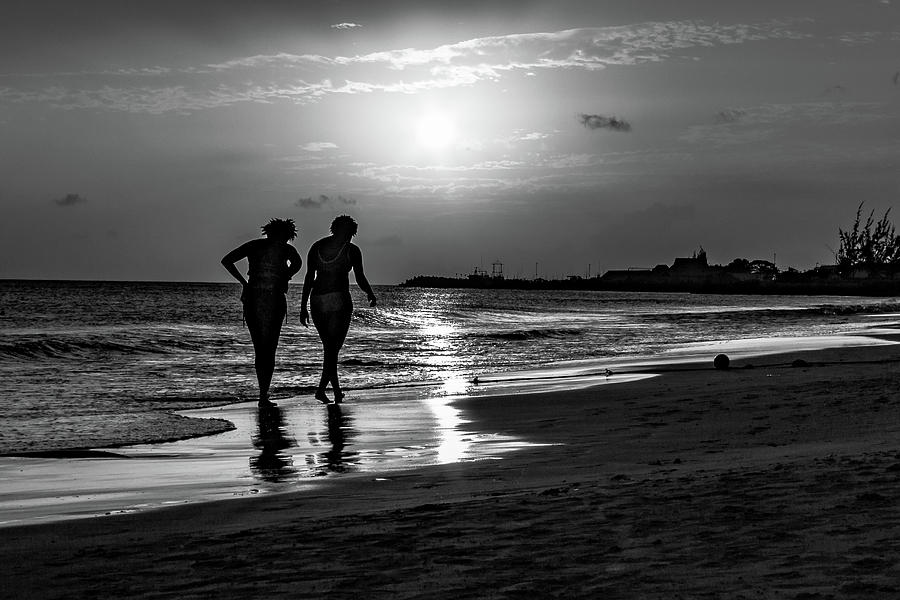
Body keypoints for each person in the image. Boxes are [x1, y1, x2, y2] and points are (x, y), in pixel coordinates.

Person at [222, 218, 302, 407]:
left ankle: (263, 394)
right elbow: (298, 264)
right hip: (266, 299)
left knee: (263, 348)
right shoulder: (284, 249)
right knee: (267, 348)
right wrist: (285, 275)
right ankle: (263, 394)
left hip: (259, 298)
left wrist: (245, 282)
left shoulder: (259, 246)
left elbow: (227, 260)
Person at [300, 215, 376, 404]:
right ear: (350, 232)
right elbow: (359, 276)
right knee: (333, 349)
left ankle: (335, 391)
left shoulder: (316, 246)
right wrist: (370, 293)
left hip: (317, 299)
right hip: (339, 300)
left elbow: (309, 277)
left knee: (329, 348)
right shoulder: (352, 250)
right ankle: (321, 390)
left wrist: (303, 306)